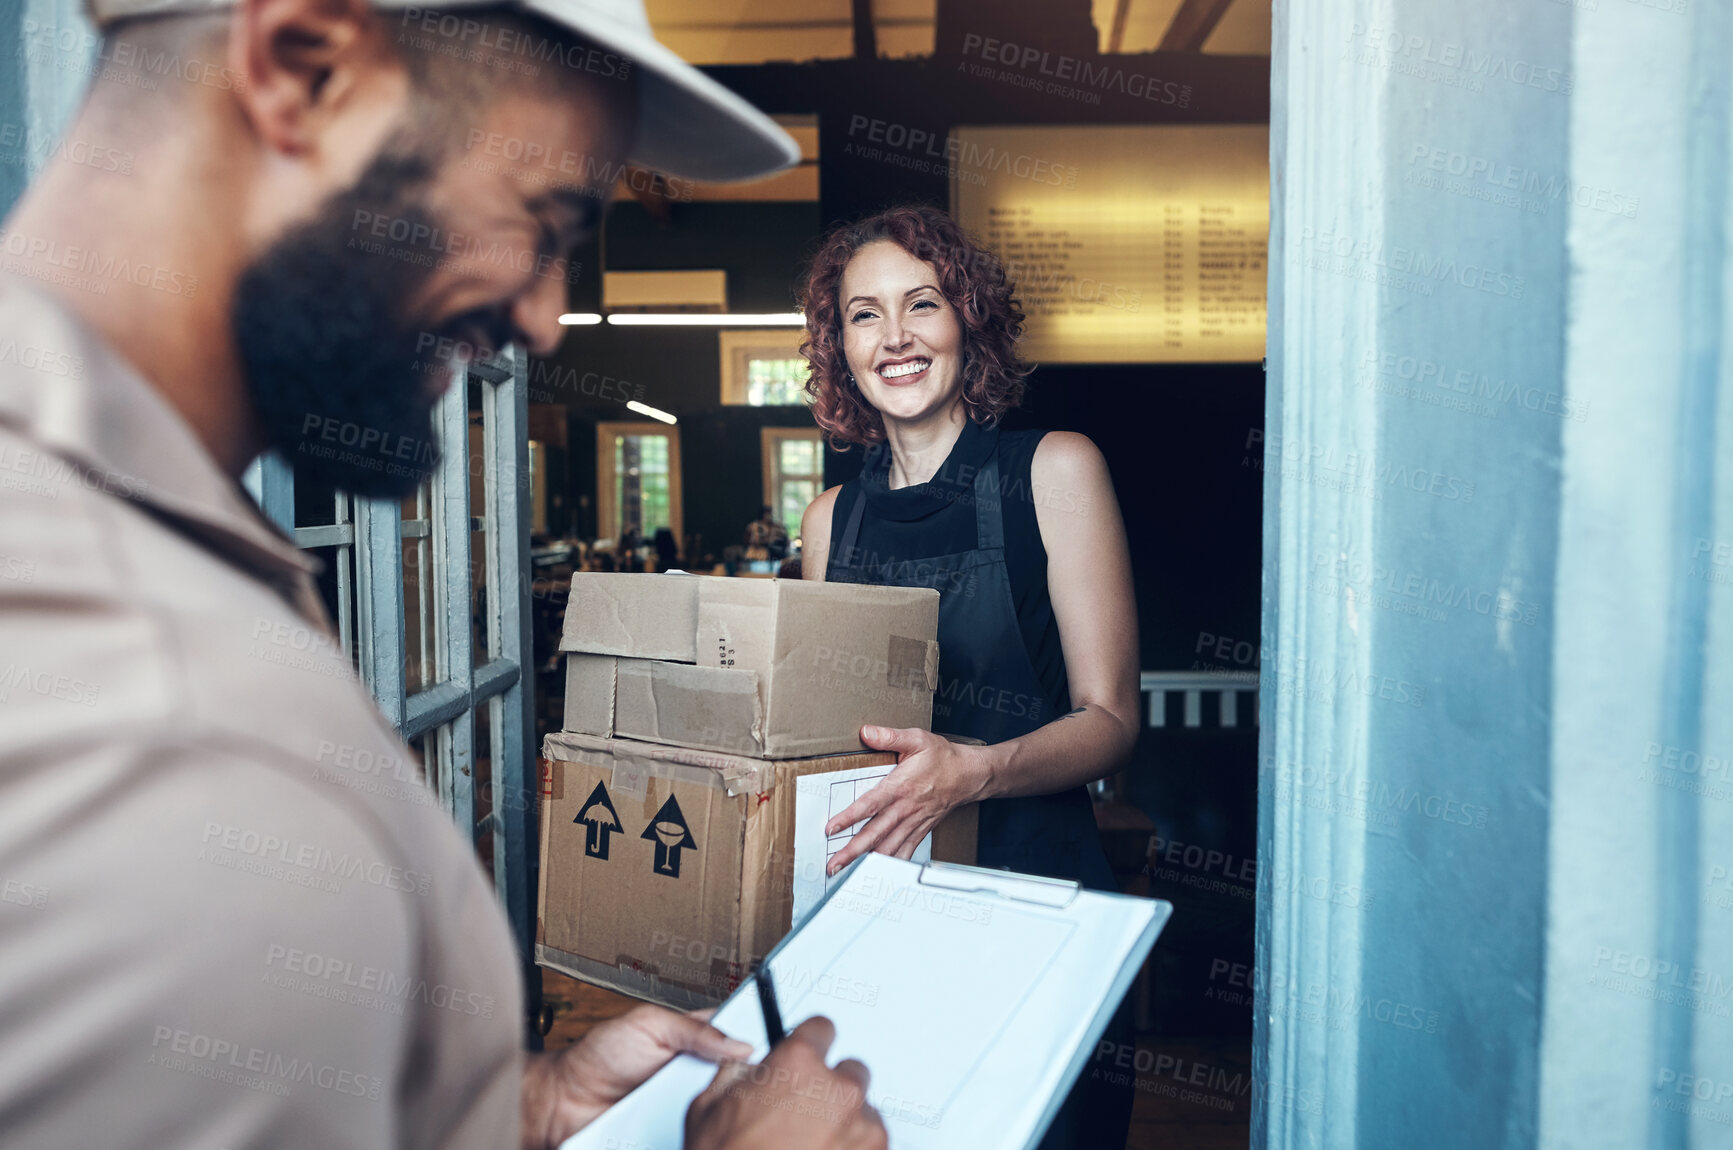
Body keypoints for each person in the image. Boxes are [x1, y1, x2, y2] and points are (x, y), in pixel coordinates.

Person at [0, 0, 885, 1146]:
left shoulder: (155, 531)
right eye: (544, 219)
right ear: (305, 69)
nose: (547, 317)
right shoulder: (137, 713)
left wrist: (520, 1104)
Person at [798, 205, 1142, 1148]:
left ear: (968, 323)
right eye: (865, 315)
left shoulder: (1055, 471)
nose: (896, 337)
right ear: (842, 346)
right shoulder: (832, 521)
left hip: (1035, 901)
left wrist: (976, 770)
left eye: (923, 304)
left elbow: (1112, 719)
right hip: (882, 919)